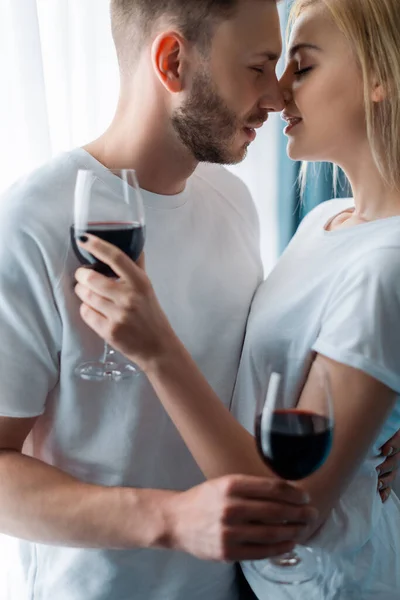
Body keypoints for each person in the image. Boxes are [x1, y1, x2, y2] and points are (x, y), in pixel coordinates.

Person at [0, 1, 327, 599]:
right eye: (259, 67)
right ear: (173, 61)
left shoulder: (234, 203)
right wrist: (170, 521)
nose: (279, 98)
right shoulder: (31, 222)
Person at [73, 0, 400, 597]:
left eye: (300, 67)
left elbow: (287, 512)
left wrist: (155, 349)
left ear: (381, 79)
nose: (276, 94)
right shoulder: (325, 221)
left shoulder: (386, 264)